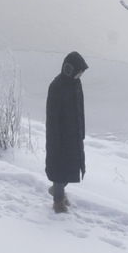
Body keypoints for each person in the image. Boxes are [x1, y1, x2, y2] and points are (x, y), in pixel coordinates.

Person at [45, 51, 88, 213]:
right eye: (78, 72)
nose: (80, 75)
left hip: (74, 135)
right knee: (59, 170)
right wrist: (55, 140)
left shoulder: (76, 84)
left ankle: (57, 190)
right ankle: (58, 201)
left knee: (71, 168)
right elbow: (52, 118)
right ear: (68, 69)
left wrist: (81, 131)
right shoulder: (56, 87)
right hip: (60, 137)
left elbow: (80, 109)